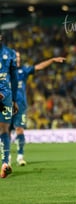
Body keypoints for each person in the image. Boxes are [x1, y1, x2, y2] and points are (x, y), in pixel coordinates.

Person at [9, 52, 66, 166]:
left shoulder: (23, 71)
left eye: (19, 57)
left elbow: (39, 67)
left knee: (19, 129)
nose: (18, 59)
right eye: (16, 58)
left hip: (20, 106)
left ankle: (20, 157)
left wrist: (52, 60)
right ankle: (7, 158)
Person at [0, 34, 18, 178]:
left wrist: (14, 100)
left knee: (4, 129)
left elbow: (14, 78)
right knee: (3, 130)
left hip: (5, 96)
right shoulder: (10, 53)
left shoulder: (10, 53)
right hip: (5, 95)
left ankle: (5, 163)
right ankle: (5, 161)